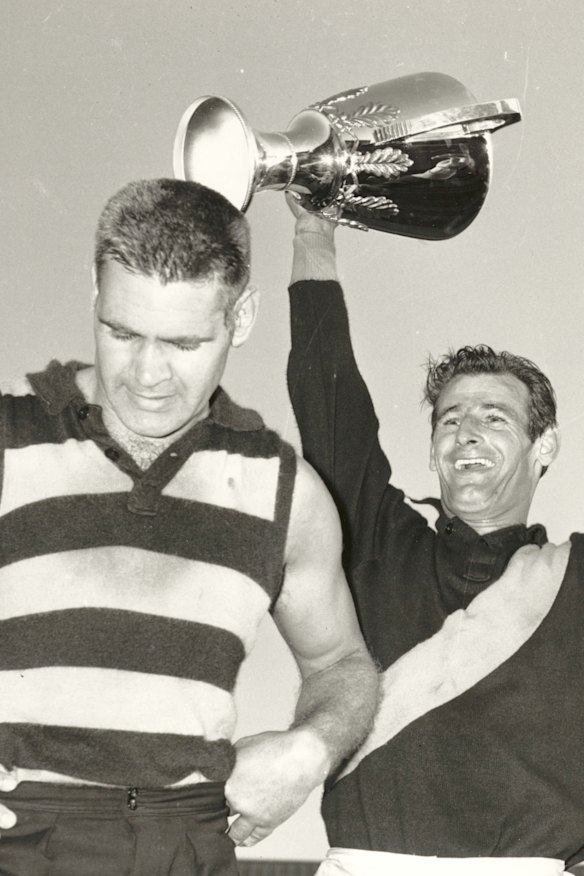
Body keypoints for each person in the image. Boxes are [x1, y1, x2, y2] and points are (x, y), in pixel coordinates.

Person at [0, 179, 379, 876]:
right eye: (121, 332)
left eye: (182, 342)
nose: (146, 374)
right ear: (95, 295)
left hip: (190, 843)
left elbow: (341, 665)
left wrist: (312, 748)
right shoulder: (7, 442)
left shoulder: (285, 492)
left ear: (242, 318)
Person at [285, 196, 584, 876]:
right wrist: (313, 231)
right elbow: (328, 402)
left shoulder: (578, 578)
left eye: (495, 418)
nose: (467, 433)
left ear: (546, 447)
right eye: (450, 420)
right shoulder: (379, 546)